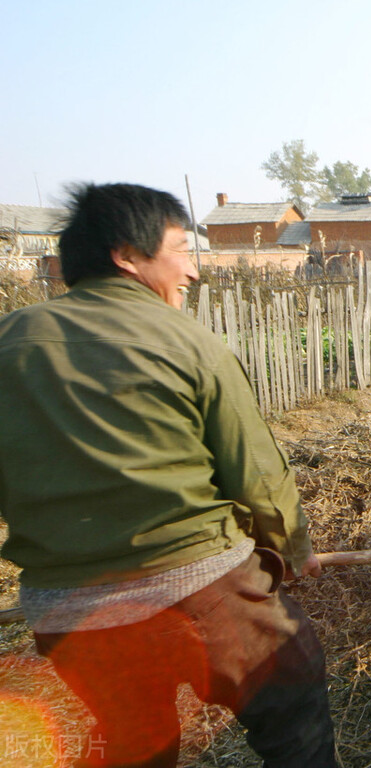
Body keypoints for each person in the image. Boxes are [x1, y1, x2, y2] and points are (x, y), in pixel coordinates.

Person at [0, 183, 338, 767]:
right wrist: (291, 549)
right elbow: (257, 473)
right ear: (126, 255)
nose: (194, 272)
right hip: (198, 588)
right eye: (182, 250)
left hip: (69, 617)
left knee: (133, 742)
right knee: (292, 714)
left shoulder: (8, 344)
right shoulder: (186, 342)